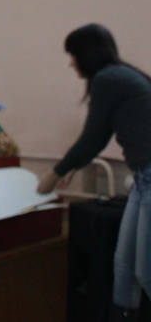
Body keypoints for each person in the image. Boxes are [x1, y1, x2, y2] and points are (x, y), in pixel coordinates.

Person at [37, 23, 151, 321]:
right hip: (143, 178)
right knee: (124, 265)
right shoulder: (122, 76)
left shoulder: (108, 79)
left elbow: (93, 137)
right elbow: (99, 138)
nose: (71, 63)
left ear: (87, 54)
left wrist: (56, 172)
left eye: (73, 55)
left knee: (145, 270)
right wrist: (72, 168)